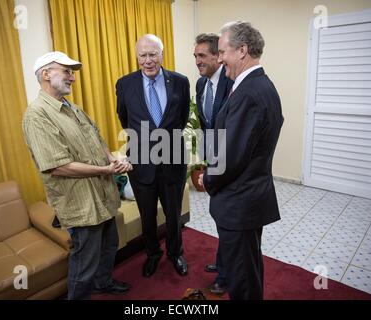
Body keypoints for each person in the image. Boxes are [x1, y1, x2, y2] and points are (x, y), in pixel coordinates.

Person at [23, 51, 132, 300]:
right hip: (81, 205)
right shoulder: (36, 115)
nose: (72, 77)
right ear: (46, 74)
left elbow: (97, 139)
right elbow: (57, 166)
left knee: (109, 246)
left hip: (103, 196)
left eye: (72, 72)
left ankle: (103, 283)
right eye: (67, 71)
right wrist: (106, 170)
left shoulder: (73, 108)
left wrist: (113, 159)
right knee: (84, 266)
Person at [198, 21, 284, 300]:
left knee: (241, 279)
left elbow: (231, 157)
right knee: (247, 267)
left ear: (242, 50)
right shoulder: (260, 85)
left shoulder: (249, 93)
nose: (219, 58)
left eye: (222, 51)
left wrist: (206, 179)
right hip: (250, 196)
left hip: (240, 201)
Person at [116, 34, 190, 277]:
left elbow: (181, 118)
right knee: (147, 216)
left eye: (152, 54)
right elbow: (125, 119)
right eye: (143, 55)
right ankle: (153, 254)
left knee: (173, 214)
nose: (148, 60)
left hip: (173, 160)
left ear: (162, 54)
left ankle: (175, 253)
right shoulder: (124, 84)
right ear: (137, 56)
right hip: (141, 163)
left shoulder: (180, 81)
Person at [193, 33, 233, 295]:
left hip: (231, 162)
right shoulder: (200, 84)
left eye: (202, 56)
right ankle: (222, 262)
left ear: (218, 56)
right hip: (213, 159)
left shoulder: (232, 84)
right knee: (219, 215)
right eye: (195, 56)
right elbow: (206, 126)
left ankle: (226, 274)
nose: (197, 61)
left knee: (227, 217)